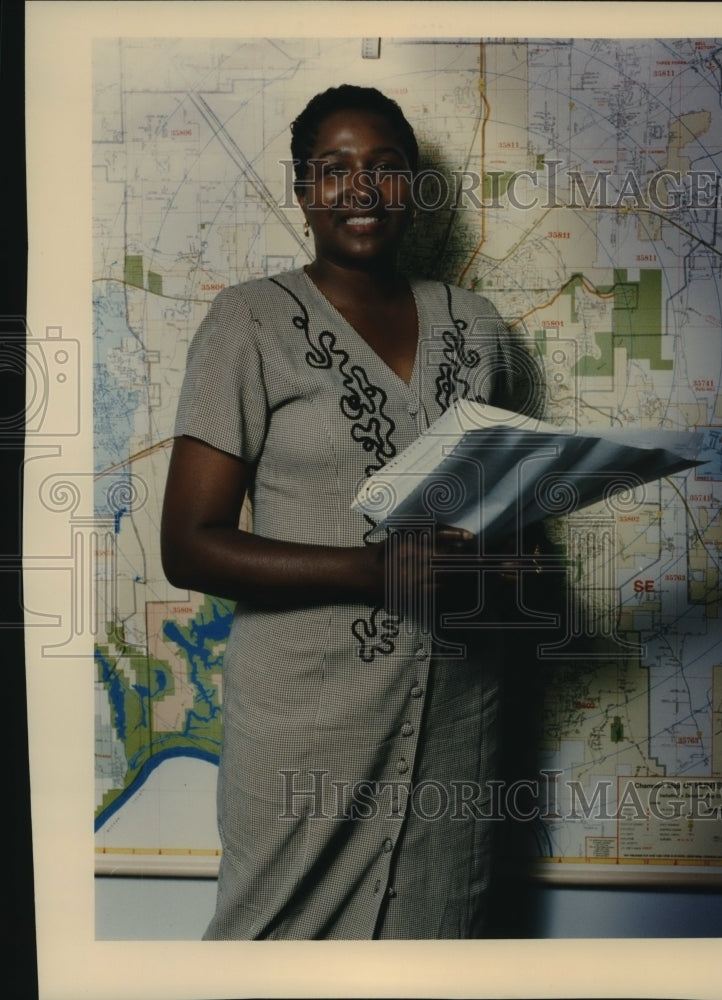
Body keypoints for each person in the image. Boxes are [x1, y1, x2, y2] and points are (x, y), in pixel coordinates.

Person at [161, 84, 547, 940]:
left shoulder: (479, 330)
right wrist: (372, 569)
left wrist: (513, 570)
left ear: (413, 185)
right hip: (307, 723)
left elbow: (501, 519)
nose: (360, 189)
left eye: (383, 168)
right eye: (333, 171)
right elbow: (189, 547)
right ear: (301, 191)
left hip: (458, 717)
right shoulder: (248, 324)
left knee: (437, 950)